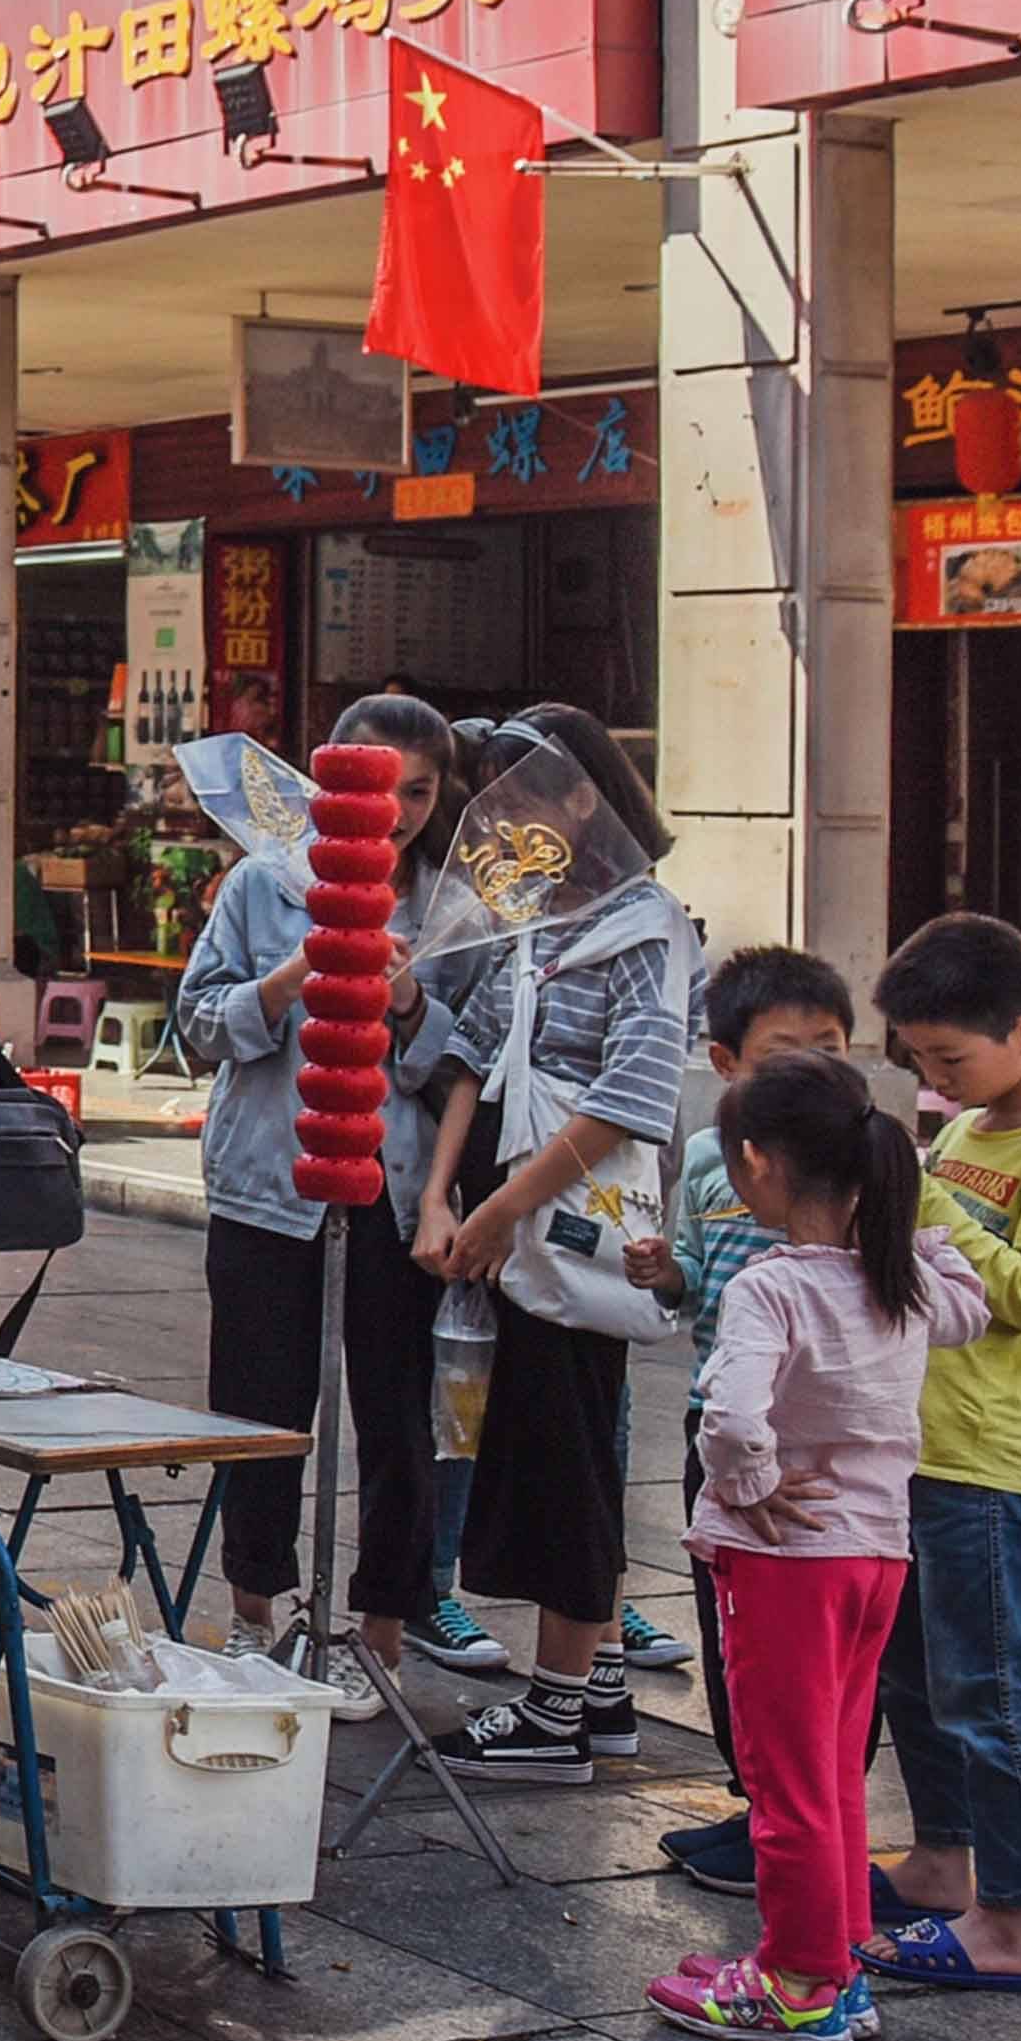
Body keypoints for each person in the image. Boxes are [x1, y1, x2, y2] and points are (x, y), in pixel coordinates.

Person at [643, 1050, 991, 2041]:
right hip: (877, 1556)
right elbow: (970, 1297)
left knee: (785, 1781)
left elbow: (729, 1412)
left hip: (787, 1563)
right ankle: (833, 1968)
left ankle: (796, 1981)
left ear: (754, 1164)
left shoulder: (770, 1288)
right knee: (832, 1772)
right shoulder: (902, 1281)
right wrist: (913, 1210)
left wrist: (747, 1488)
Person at [416, 703, 702, 1784]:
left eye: (523, 797)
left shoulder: (646, 927)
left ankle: (555, 1715)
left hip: (573, 1242)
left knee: (570, 1469)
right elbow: (470, 1064)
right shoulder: (534, 923)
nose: (505, 822)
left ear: (583, 799)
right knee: (536, 1460)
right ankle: (602, 1699)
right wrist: (445, 1197)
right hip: (507, 1239)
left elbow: (628, 1100)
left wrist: (495, 1211)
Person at [173, 691, 466, 1716]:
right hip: (266, 1184)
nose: (400, 810)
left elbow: (468, 1065)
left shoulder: (447, 906)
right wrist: (296, 975)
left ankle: (376, 1632)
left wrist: (410, 1003)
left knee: (393, 1419)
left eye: (421, 790)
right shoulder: (263, 885)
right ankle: (255, 1615)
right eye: (384, 784)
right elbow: (197, 1024)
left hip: (388, 1194)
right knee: (257, 1411)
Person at [853, 912, 1021, 1999]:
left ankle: (1012, 1919)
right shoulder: (960, 1134)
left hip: (986, 1463)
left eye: (950, 1059)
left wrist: (935, 1200)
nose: (938, 1082)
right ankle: (939, 1861)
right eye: (919, 1063)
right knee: (914, 1679)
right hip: (915, 1445)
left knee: (991, 1690)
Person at [633, 947, 863, 1896]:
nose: (812, 1067)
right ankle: (757, 1803)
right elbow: (693, 1278)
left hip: (815, 1435)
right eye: (783, 1052)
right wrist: (665, 1271)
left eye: (831, 1048)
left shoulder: (864, 1155)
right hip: (717, 1420)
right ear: (726, 1062)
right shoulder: (705, 1155)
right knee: (730, 1630)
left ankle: (815, 1810)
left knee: (824, 1653)